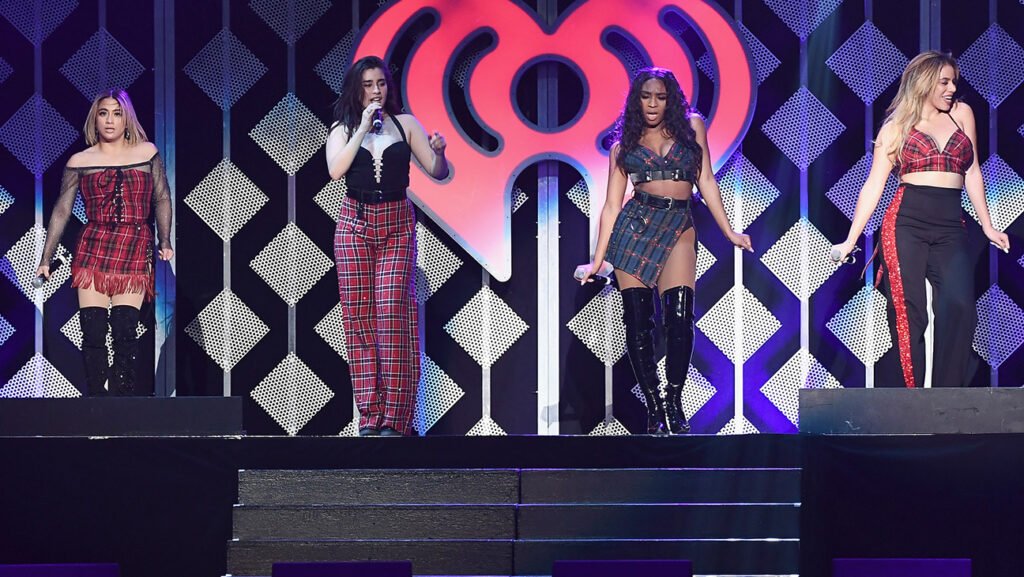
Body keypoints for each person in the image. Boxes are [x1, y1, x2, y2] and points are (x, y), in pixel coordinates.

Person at [579, 67, 752, 434]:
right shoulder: (623, 146)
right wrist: (598, 260)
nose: (653, 104)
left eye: (660, 96)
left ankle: (673, 398)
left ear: (671, 99)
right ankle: (654, 406)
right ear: (636, 101)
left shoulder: (692, 128)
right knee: (638, 322)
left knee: (679, 317)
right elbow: (611, 206)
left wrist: (729, 232)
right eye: (646, 97)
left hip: (678, 226)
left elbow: (706, 180)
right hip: (635, 230)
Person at [831, 51, 1010, 388]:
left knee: (959, 307)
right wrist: (851, 239)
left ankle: (946, 397)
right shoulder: (896, 127)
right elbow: (874, 185)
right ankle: (910, 398)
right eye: (944, 82)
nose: (952, 88)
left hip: (951, 225)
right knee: (908, 312)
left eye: (953, 82)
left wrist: (987, 225)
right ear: (924, 83)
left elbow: (973, 171)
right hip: (906, 222)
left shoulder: (962, 114)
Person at [325, 56, 448, 437]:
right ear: (356, 89)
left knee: (393, 314)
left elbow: (437, 171)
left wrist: (440, 152)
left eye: (380, 83)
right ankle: (370, 416)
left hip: (395, 223)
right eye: (368, 85)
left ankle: (396, 418)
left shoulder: (405, 124)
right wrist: (362, 127)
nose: (376, 91)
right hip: (355, 223)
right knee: (359, 318)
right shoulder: (343, 128)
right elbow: (336, 170)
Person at [37, 88, 174, 396]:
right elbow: (62, 209)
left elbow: (162, 196)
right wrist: (46, 258)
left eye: (116, 113)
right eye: (103, 113)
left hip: (134, 243)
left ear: (127, 119)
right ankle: (97, 402)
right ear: (95, 120)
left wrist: (164, 239)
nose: (110, 120)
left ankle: (123, 402)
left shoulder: (146, 153)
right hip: (93, 246)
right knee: (93, 331)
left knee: (125, 329)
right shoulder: (81, 160)